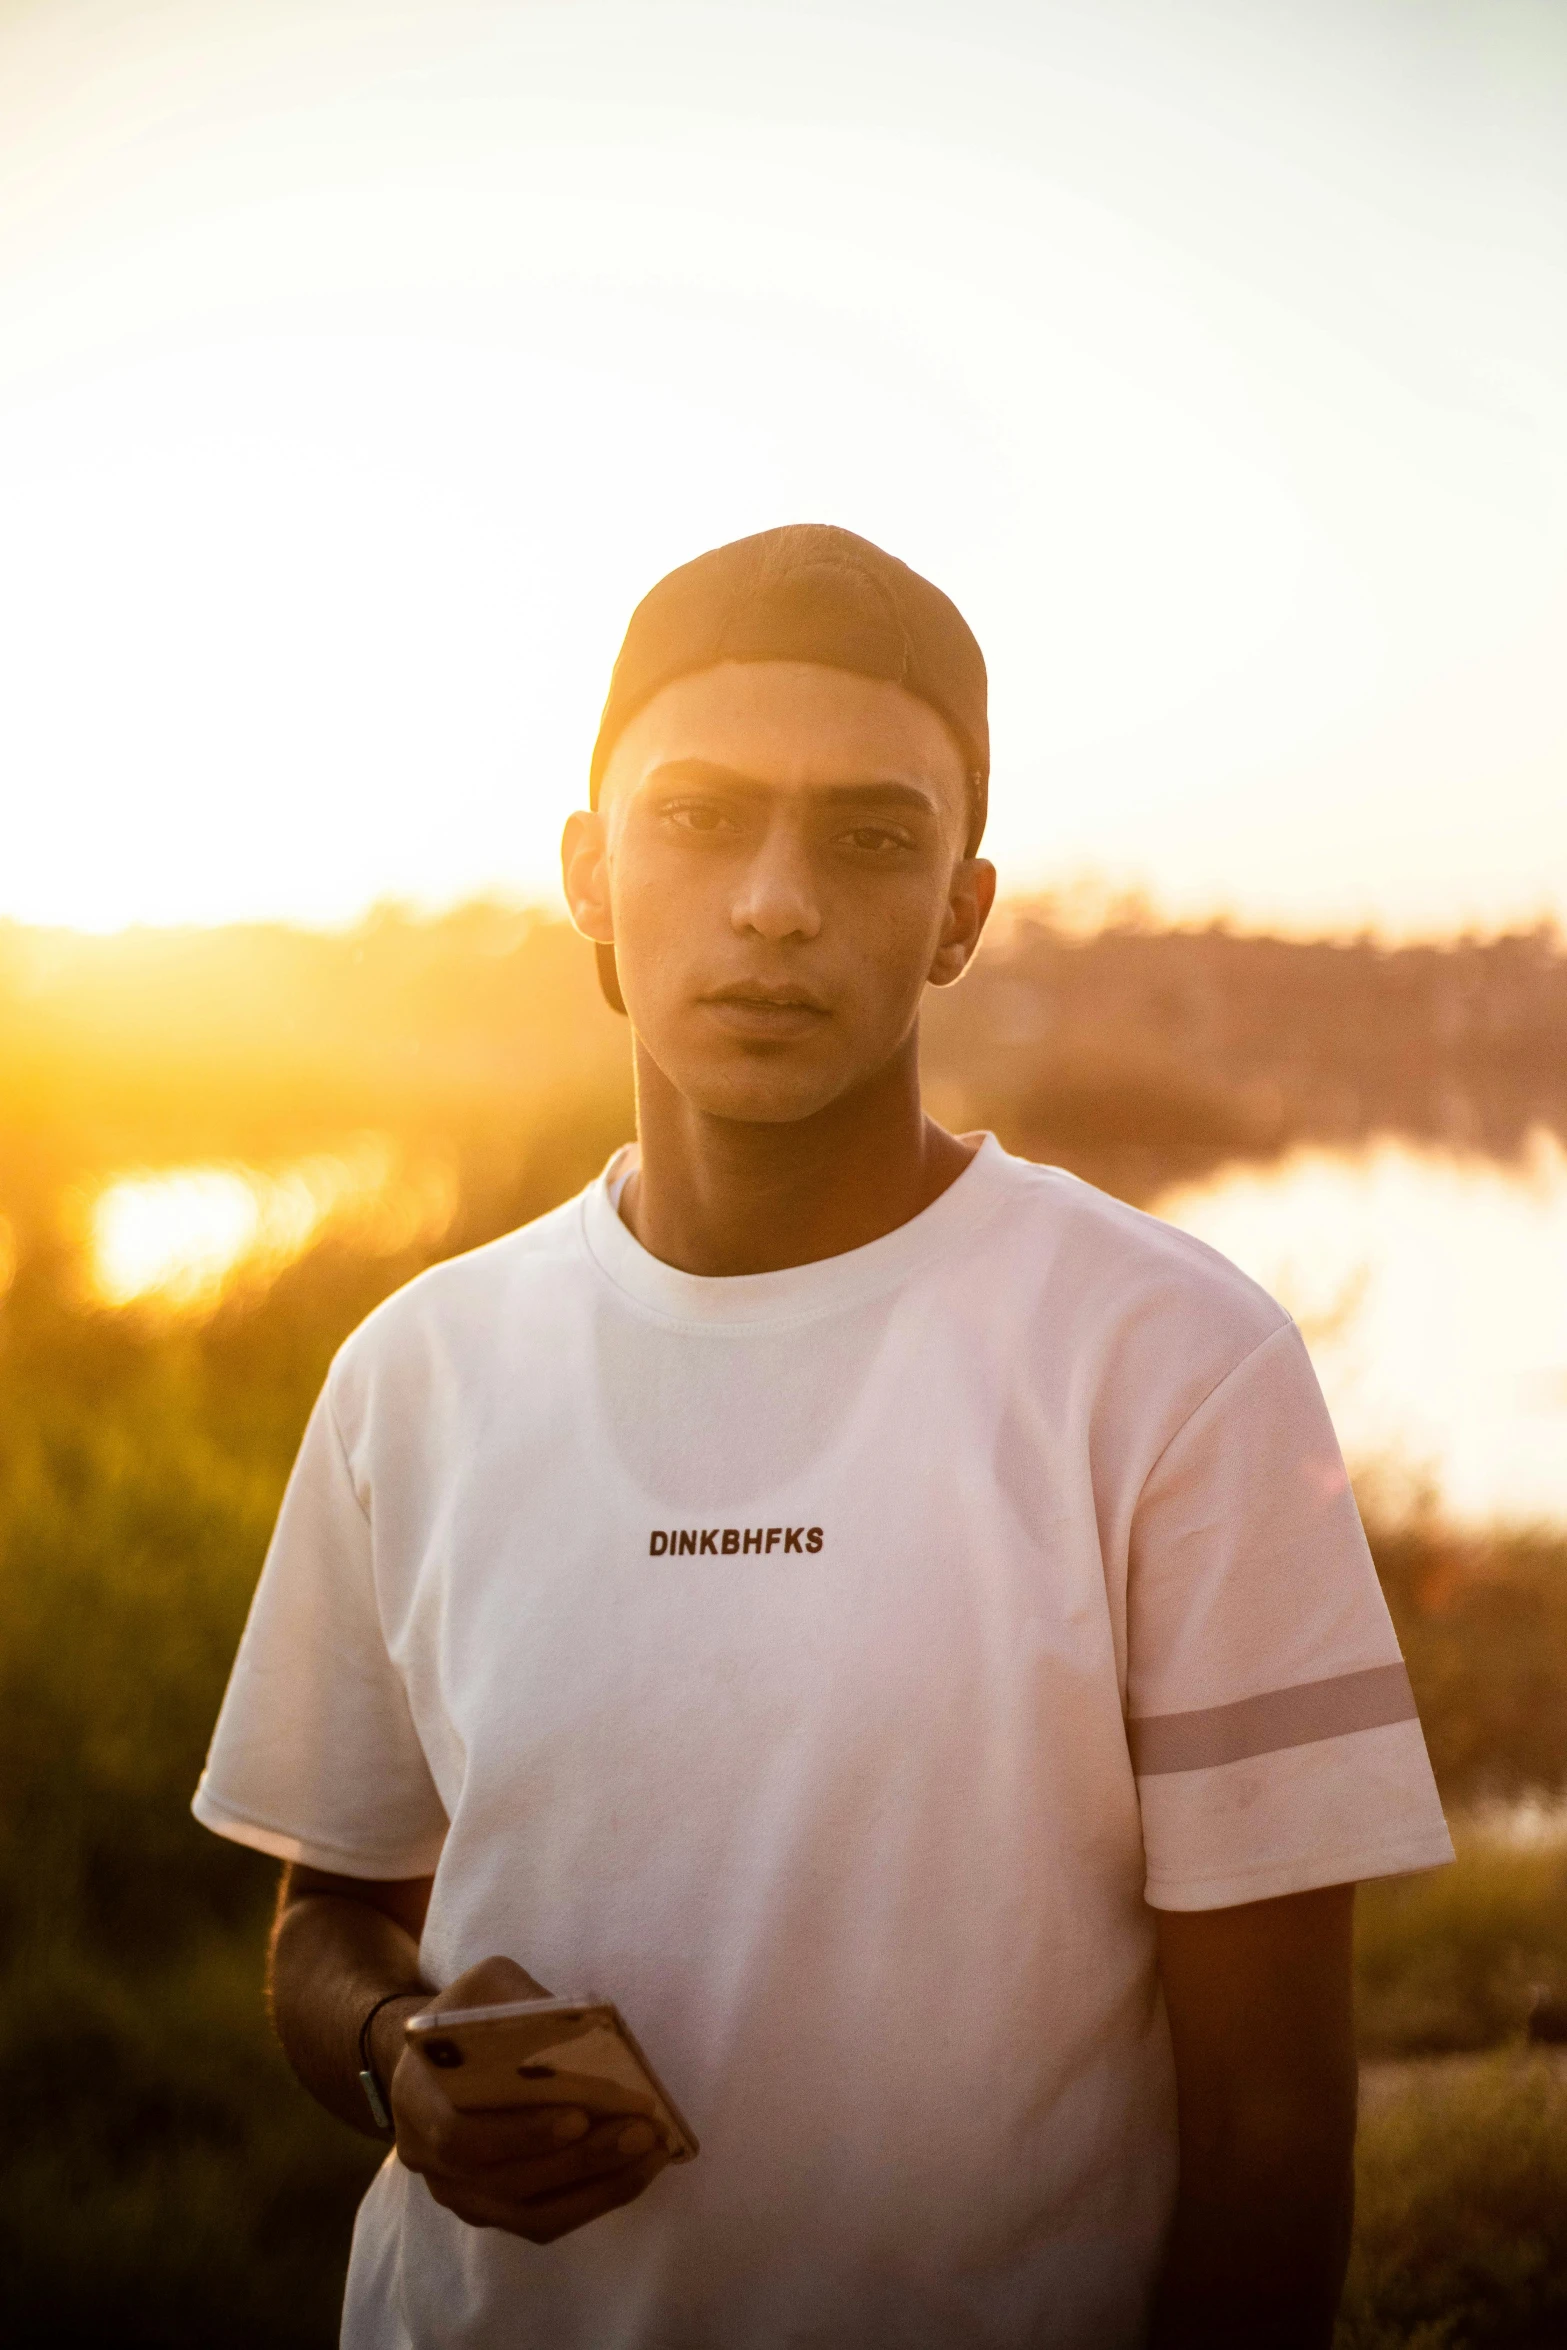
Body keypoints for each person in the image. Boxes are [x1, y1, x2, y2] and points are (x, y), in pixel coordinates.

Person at [193, 523, 1453, 2350]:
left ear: (960, 907)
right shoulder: (418, 1370)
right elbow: (328, 1920)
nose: (775, 901)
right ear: (591, 873)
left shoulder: (1176, 1365)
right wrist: (401, 2059)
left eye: (868, 837)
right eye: (699, 818)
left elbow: (1272, 2123)